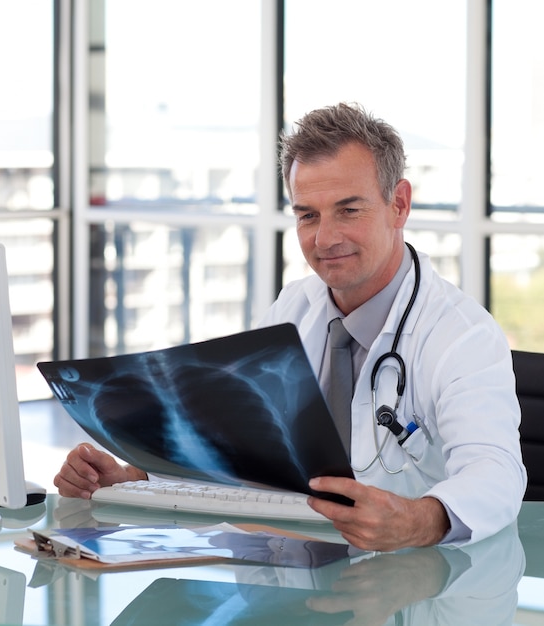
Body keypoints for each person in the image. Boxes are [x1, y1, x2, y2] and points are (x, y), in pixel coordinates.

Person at [54, 102, 526, 552]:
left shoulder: (462, 335)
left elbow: (496, 472)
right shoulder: (292, 309)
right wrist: (133, 480)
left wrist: (417, 520)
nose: (325, 238)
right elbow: (234, 449)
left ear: (398, 204)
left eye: (349, 210)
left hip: (413, 584)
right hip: (292, 562)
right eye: (308, 215)